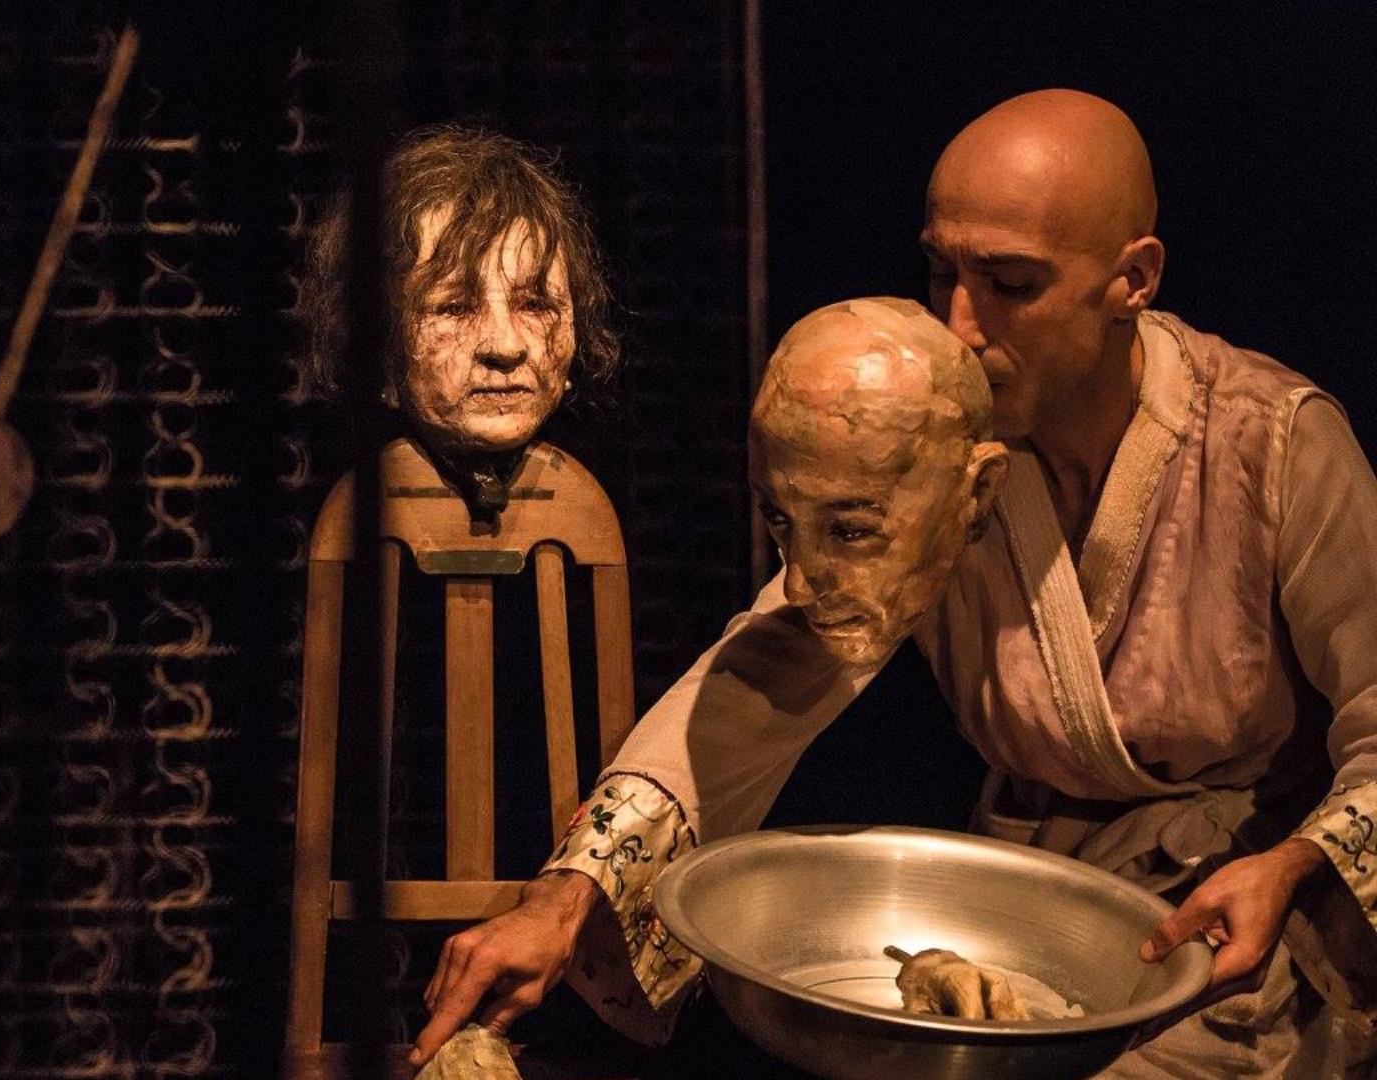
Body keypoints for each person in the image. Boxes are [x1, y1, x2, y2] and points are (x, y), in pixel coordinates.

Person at [412, 89, 1377, 1078]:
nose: (962, 323)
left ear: (1133, 278)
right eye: (941, 272)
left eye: (1010, 283)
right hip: (1033, 917)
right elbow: (770, 672)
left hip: (1240, 930)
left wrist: (1296, 864)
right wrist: (571, 895)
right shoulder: (936, 441)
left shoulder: (1274, 445)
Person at [299, 124, 619, 500]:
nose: (506, 346)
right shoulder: (348, 514)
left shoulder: (586, 510)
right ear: (381, 350)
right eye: (454, 309)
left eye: (535, 305)